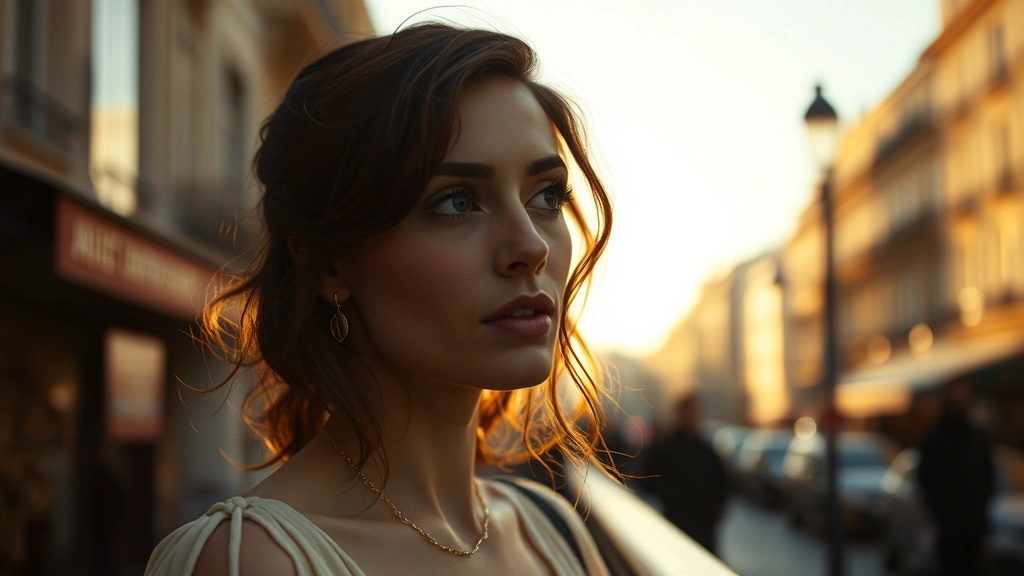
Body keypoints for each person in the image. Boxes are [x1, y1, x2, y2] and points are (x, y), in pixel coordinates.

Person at [145, 23, 616, 576]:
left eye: (546, 195)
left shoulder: (549, 528)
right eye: (457, 201)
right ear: (333, 263)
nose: (531, 248)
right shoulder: (253, 561)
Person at [917, 380, 995, 576]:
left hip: (974, 523)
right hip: (949, 525)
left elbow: (988, 475)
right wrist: (941, 509)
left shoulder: (977, 436)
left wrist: (981, 502)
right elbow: (926, 477)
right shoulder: (936, 437)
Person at [639, 395, 727, 555]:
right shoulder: (665, 448)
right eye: (689, 412)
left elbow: (722, 482)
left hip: (704, 525)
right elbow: (646, 480)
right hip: (677, 522)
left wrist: (719, 505)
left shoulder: (706, 449)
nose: (693, 417)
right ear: (679, 414)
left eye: (695, 412)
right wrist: (674, 495)